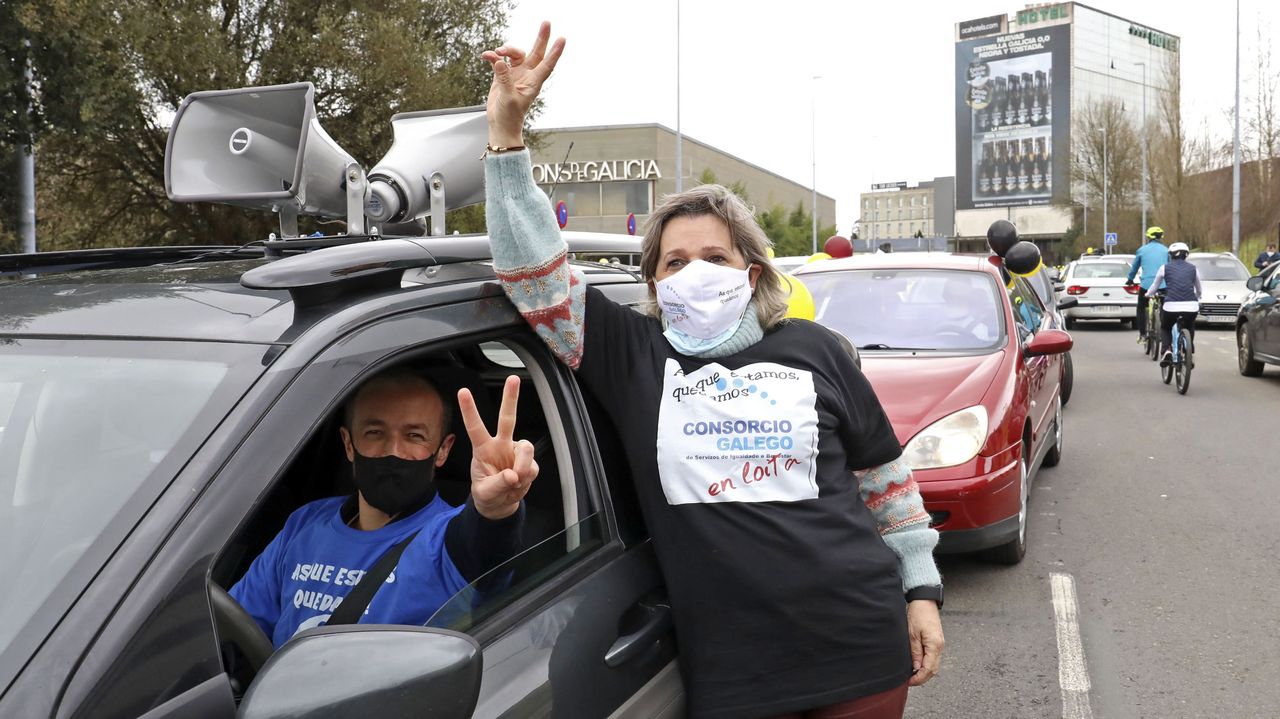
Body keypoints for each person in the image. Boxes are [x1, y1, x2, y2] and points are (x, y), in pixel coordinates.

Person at [481, 22, 942, 719]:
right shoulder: (633, 353)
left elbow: (885, 481)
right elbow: (533, 272)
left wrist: (922, 591)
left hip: (861, 649)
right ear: (655, 284)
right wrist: (507, 136)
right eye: (674, 261)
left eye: (715, 257)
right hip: (735, 676)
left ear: (750, 272)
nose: (695, 271)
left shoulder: (814, 348)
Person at [229, 368, 538, 648]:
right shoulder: (306, 523)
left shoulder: (448, 539)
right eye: (375, 433)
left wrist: (495, 509)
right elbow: (233, 629)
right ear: (349, 445)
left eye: (414, 436)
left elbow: (485, 543)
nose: (393, 451)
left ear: (443, 450)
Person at [1145, 242, 1202, 367]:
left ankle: (1166, 350)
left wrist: (1148, 294)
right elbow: (1199, 289)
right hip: (1191, 305)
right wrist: (1197, 298)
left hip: (1171, 306)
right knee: (1190, 324)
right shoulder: (1193, 268)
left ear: (1171, 255)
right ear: (1186, 255)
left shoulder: (1164, 268)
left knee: (1165, 327)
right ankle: (1189, 351)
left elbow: (1155, 286)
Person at [1126, 227, 1169, 343]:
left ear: (1148, 237)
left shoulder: (1142, 250)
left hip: (1146, 285)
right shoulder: (1166, 250)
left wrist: (1130, 279)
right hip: (1163, 284)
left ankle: (1142, 334)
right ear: (1161, 237)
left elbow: (1134, 267)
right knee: (1166, 307)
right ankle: (1164, 331)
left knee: (1141, 307)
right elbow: (1170, 267)